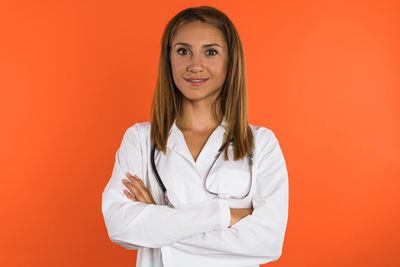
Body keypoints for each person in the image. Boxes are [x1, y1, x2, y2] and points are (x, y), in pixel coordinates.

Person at [101, 6, 289, 267]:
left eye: (210, 52)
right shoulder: (140, 140)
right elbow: (120, 226)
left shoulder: (262, 144)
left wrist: (159, 220)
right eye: (183, 51)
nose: (195, 65)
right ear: (169, 58)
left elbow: (268, 242)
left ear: (230, 61)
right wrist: (225, 215)